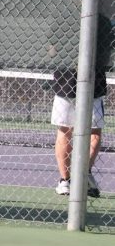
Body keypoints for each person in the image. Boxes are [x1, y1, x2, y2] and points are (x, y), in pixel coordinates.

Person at [48, 11, 112, 198]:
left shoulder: (102, 21)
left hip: (92, 83)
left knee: (92, 133)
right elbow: (52, 50)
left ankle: (80, 176)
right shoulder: (65, 19)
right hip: (67, 83)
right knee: (66, 130)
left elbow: (52, 51)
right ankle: (66, 180)